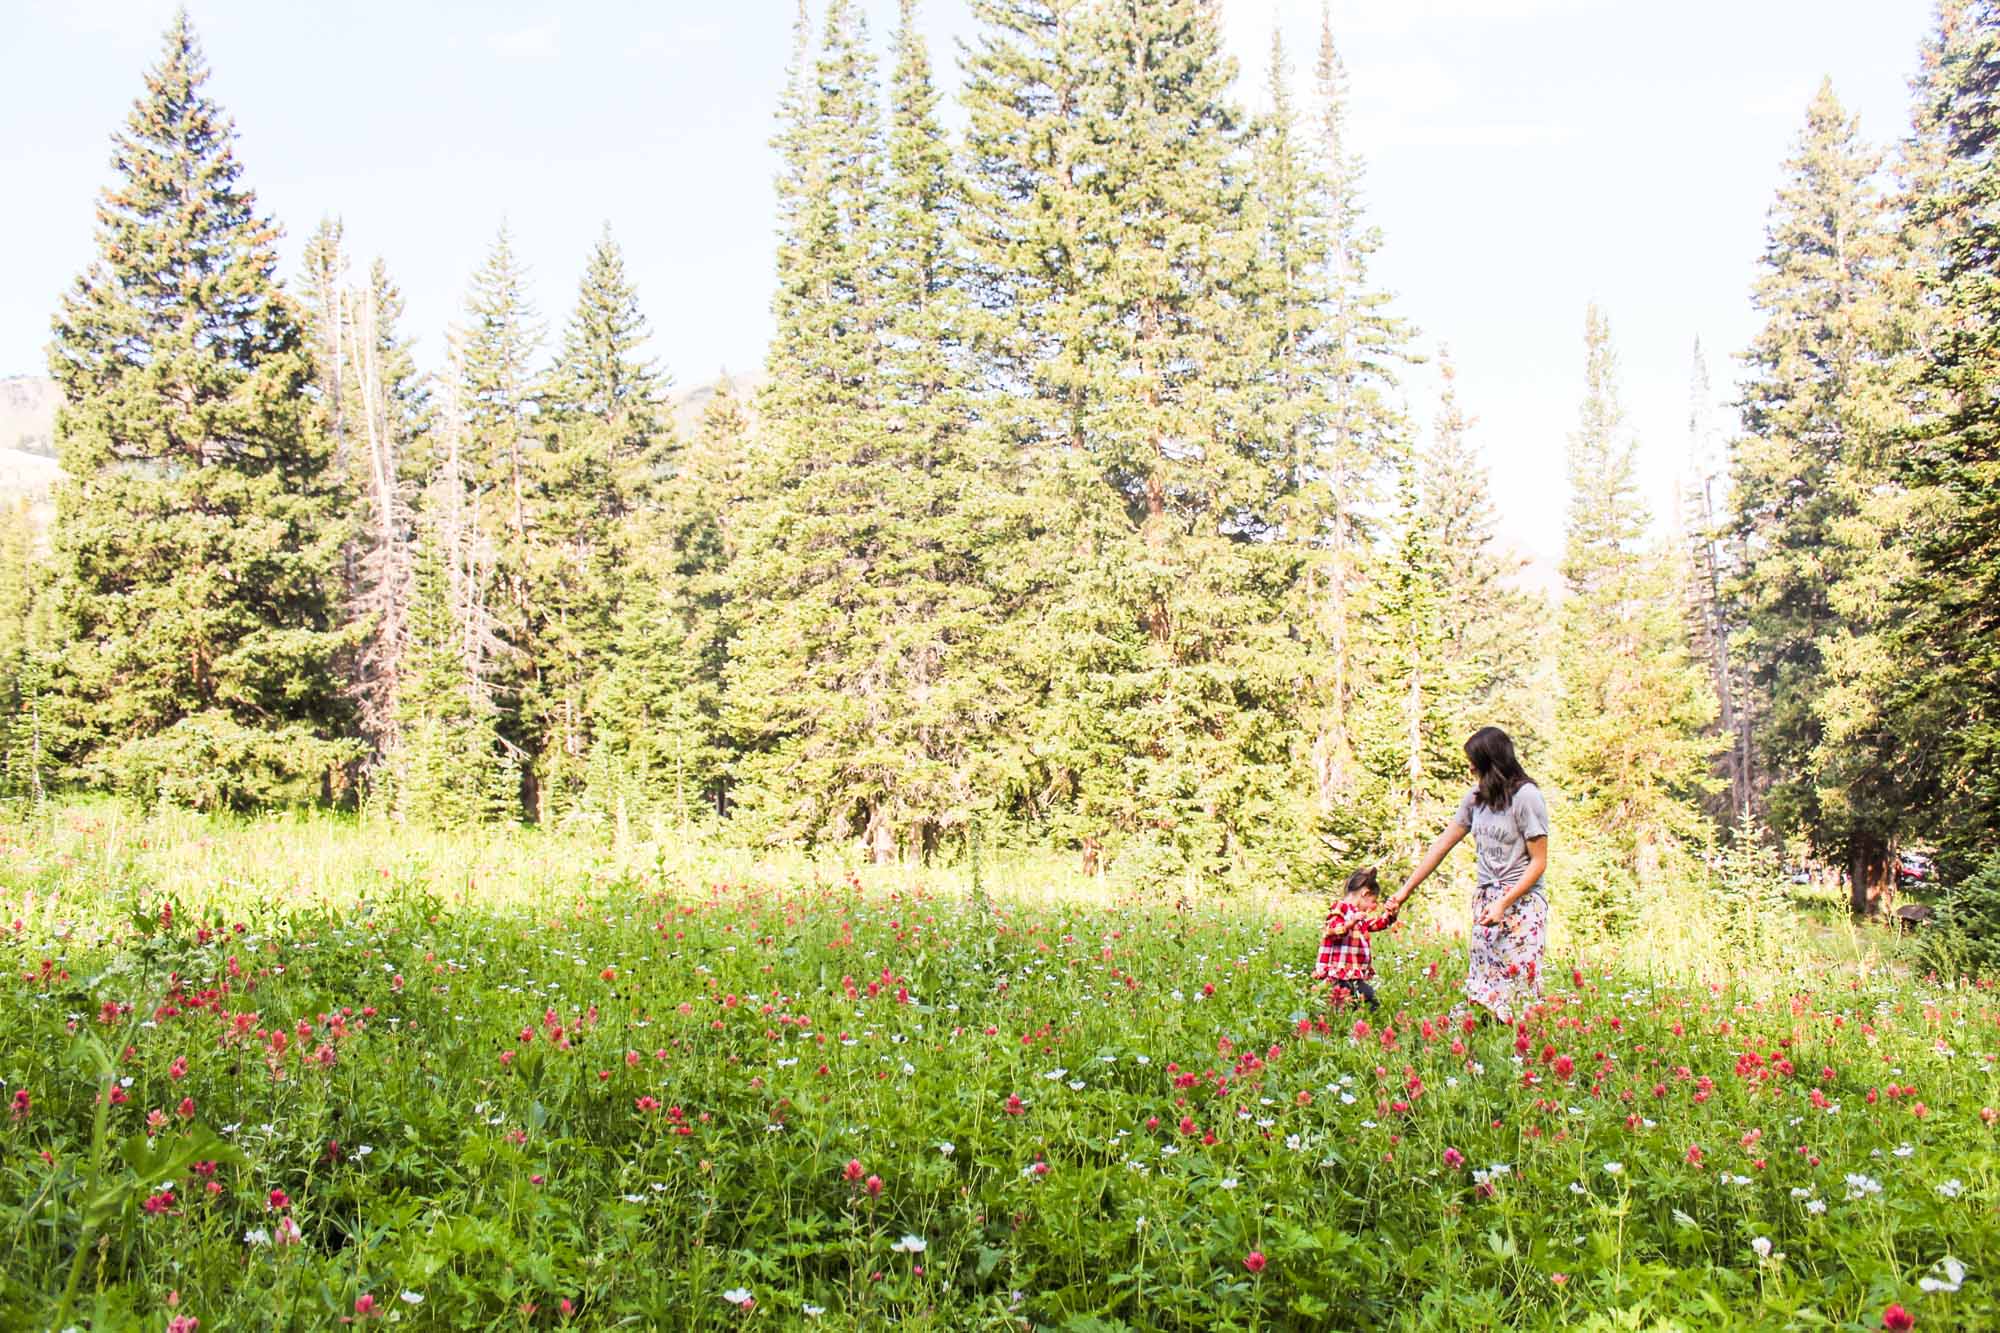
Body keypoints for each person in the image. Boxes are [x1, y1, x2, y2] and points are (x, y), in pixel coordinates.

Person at [1387, 726, 1550, 1023]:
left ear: (1493, 762)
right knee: (1483, 987)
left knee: (1519, 990)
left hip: (1522, 904)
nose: (1470, 766)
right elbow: (1441, 846)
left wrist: (1505, 902)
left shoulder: (1527, 797)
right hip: (1488, 901)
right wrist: (1404, 892)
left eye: (1474, 760)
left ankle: (1525, 1056)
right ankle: (1484, 1054)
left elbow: (1538, 862)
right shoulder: (1477, 798)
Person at [1313, 867, 1399, 1010]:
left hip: (1353, 973)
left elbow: (1376, 924)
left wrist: (1391, 914)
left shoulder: (1357, 914)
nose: (1372, 907)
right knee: (1346, 1002)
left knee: (1365, 1000)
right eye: (1372, 901)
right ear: (1364, 894)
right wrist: (1351, 922)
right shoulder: (1340, 908)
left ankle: (1357, 1024)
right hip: (1340, 972)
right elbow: (1332, 930)